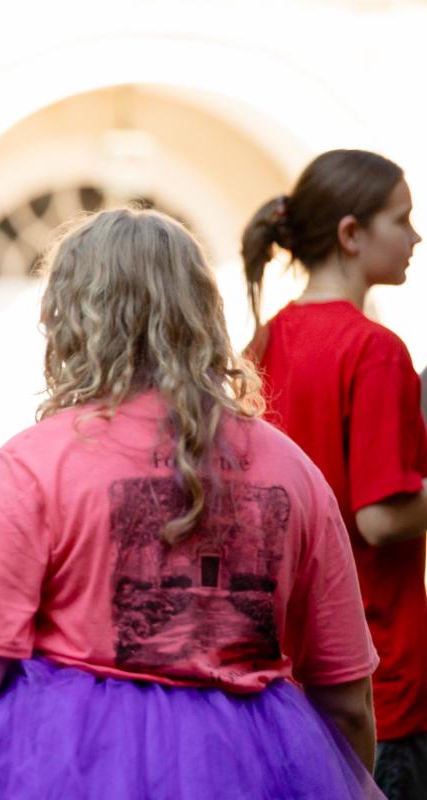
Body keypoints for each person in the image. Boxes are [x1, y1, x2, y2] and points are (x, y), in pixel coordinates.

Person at [0, 208, 383, 799]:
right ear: (203, 312)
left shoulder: (39, 461)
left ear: (73, 315)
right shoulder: (293, 470)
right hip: (252, 768)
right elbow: (347, 699)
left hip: (72, 768)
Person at [241, 148, 427, 799]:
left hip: (286, 673)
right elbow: (380, 516)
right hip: (378, 677)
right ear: (351, 234)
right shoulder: (375, 349)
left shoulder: (263, 345)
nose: (415, 237)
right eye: (401, 220)